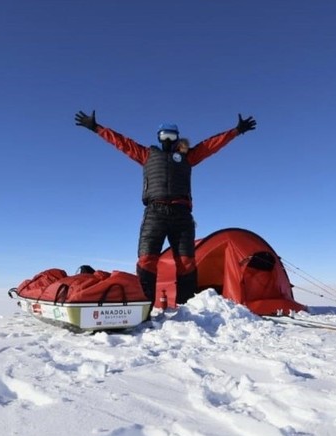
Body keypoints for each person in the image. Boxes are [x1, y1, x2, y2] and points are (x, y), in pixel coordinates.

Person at [74, 110, 257, 305]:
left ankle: (186, 308)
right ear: (159, 138)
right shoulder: (146, 155)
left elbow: (210, 146)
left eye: (172, 136)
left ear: (177, 138)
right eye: (164, 136)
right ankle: (144, 307)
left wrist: (236, 131)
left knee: (186, 263)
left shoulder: (188, 157)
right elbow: (122, 143)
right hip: (155, 213)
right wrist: (96, 127)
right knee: (147, 260)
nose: (168, 140)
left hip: (182, 214)